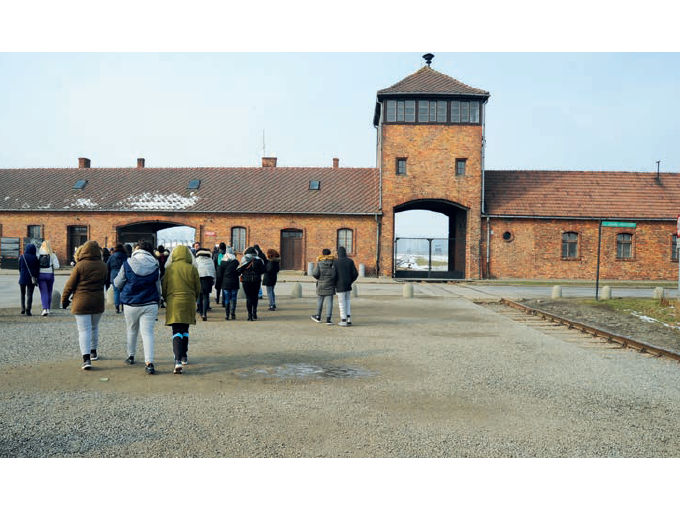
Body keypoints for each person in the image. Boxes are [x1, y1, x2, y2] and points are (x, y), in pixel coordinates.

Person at [114, 240, 161, 374]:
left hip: (131, 302)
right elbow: (158, 286)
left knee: (132, 329)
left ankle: (131, 355)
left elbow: (117, 283)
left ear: (137, 249)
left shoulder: (128, 263)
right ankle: (149, 362)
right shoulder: (155, 264)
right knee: (148, 333)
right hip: (150, 302)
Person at [61, 240, 108, 370]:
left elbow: (70, 285)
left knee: (83, 330)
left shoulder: (80, 266)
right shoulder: (103, 265)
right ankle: (93, 352)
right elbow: (105, 282)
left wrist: (64, 300)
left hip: (81, 301)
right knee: (94, 327)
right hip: (97, 301)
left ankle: (86, 359)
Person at [162, 245, 200, 374]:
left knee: (176, 330)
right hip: (188, 301)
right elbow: (197, 287)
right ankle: (184, 355)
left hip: (174, 301)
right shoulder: (192, 269)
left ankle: (177, 360)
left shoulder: (169, 269)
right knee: (185, 329)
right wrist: (194, 298)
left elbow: (164, 287)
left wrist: (167, 299)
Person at [236, 246, 265, 321]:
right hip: (256, 280)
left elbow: (239, 270)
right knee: (255, 297)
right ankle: (254, 312)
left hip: (246, 280)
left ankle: (249, 315)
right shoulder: (259, 260)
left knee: (248, 298)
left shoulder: (244, 259)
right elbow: (263, 270)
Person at [311, 248, 337, 325]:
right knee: (329, 302)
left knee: (320, 301)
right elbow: (335, 274)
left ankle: (318, 316)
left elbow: (315, 273)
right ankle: (328, 319)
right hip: (330, 284)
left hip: (321, 284)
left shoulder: (319, 263)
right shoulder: (333, 263)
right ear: (330, 254)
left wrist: (319, 278)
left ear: (322, 254)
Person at [335, 246, 359, 326]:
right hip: (348, 285)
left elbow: (334, 275)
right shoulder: (350, 261)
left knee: (341, 303)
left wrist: (335, 283)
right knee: (348, 301)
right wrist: (351, 281)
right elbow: (355, 273)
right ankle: (349, 319)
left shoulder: (336, 262)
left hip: (339, 285)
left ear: (338, 253)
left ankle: (343, 320)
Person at [37, 240, 60, 316]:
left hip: (41, 275)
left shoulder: (38, 254)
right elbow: (57, 267)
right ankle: (48, 309)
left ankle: (44, 309)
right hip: (50, 275)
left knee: (43, 292)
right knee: (49, 292)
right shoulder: (52, 255)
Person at [216, 251, 239, 320]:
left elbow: (219, 274)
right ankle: (233, 312)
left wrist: (218, 283)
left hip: (226, 282)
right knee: (234, 298)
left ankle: (227, 314)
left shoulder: (222, 263)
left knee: (227, 298)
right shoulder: (236, 262)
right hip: (234, 282)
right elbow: (239, 272)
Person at [195, 246, 216, 321]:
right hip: (208, 279)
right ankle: (204, 313)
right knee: (206, 296)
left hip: (198, 278)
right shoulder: (210, 261)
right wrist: (214, 280)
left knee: (199, 296)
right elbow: (213, 271)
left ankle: (200, 311)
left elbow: (194, 270)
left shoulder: (196, 260)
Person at [18, 243, 40, 316]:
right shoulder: (35, 258)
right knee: (30, 294)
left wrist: (21, 274)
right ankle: (28, 310)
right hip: (31, 278)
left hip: (23, 277)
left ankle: (22, 308)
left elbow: (19, 267)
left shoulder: (22, 257)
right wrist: (36, 277)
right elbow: (37, 269)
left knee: (22, 294)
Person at [107, 244, 127, 313]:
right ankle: (123, 307)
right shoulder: (125, 256)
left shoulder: (112, 256)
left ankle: (117, 307)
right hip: (123, 274)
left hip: (114, 274)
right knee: (124, 291)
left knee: (116, 291)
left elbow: (108, 265)